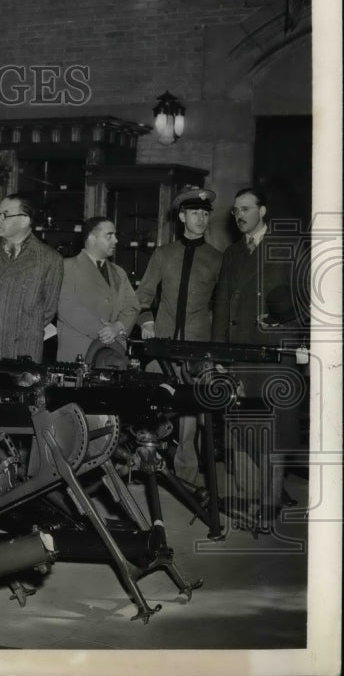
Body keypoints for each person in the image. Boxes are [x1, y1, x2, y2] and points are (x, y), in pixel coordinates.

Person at [212, 188, 304, 525]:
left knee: (275, 428)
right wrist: (218, 351)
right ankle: (267, 493)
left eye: (246, 209)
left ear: (262, 211)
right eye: (236, 210)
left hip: (275, 350)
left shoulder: (288, 246)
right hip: (240, 351)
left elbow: (310, 296)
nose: (239, 215)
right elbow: (221, 305)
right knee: (245, 424)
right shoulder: (233, 253)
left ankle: (269, 502)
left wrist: (284, 317)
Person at [135, 186, 222, 487]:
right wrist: (146, 321)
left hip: (197, 349)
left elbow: (222, 306)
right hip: (162, 344)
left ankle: (185, 476)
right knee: (151, 406)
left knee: (189, 415)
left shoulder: (216, 259)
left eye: (205, 213)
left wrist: (216, 350)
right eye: (195, 213)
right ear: (182, 216)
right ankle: (144, 467)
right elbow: (143, 296)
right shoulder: (163, 254)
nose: (201, 218)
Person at [0, 195, 63, 362]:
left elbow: (49, 310)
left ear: (24, 220)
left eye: (4, 215)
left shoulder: (50, 259)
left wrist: (22, 328)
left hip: (24, 350)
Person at [56, 217, 139, 363]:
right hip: (79, 353)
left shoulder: (118, 272)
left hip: (114, 355)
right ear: (92, 238)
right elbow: (66, 306)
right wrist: (104, 332)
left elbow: (132, 306)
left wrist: (117, 327)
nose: (116, 241)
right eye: (109, 235)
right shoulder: (67, 267)